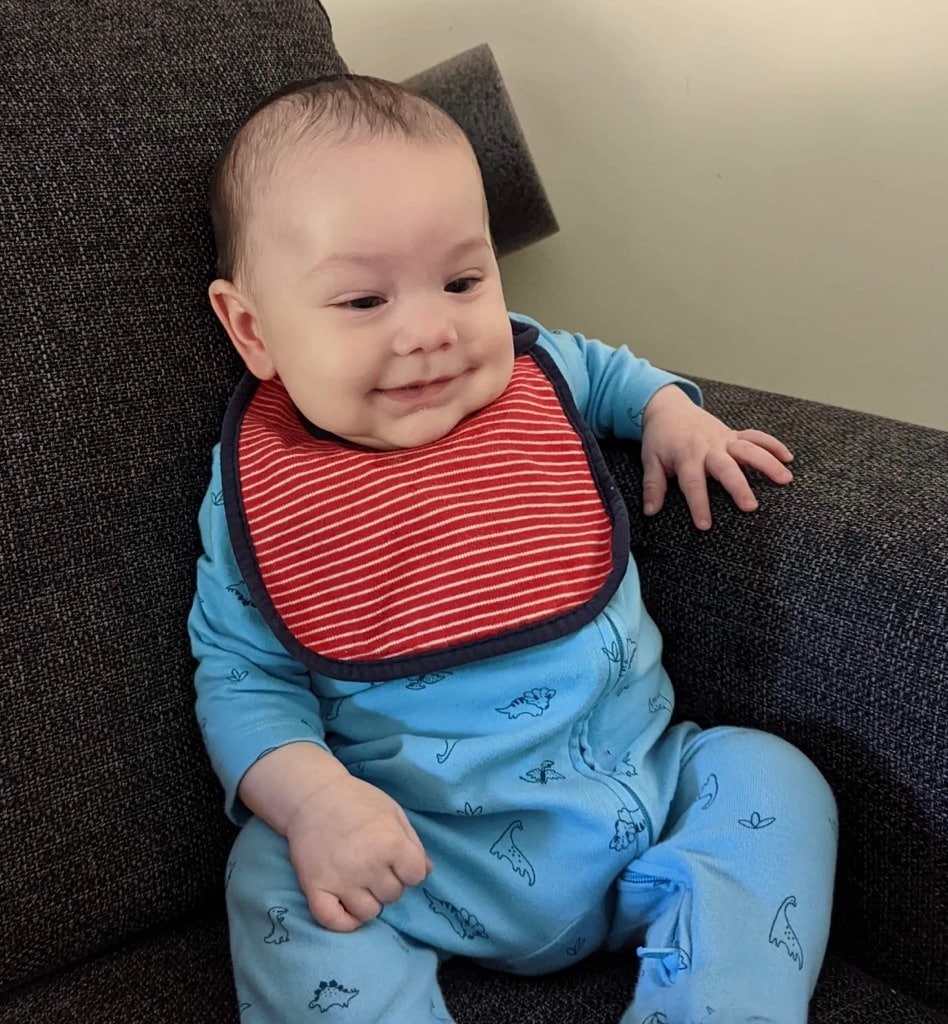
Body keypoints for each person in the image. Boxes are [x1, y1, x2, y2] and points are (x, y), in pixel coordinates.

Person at [189, 73, 837, 1024]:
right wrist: (315, 801)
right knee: (273, 872)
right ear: (252, 328)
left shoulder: (536, 374)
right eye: (363, 300)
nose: (429, 330)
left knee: (770, 777)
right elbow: (241, 680)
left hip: (642, 801)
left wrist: (669, 414)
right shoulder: (261, 486)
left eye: (463, 281)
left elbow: (609, 369)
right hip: (409, 860)